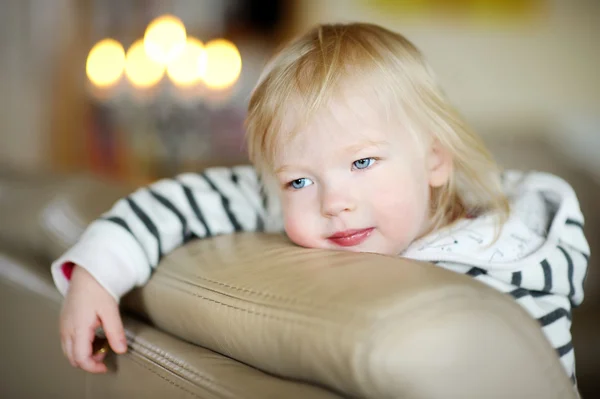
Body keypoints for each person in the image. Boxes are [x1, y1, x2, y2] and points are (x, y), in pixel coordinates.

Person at [53, 22, 589, 391]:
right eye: (300, 181)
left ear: (434, 162)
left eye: (362, 164)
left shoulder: (510, 264)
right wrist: (99, 270)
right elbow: (186, 198)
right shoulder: (298, 203)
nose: (333, 203)